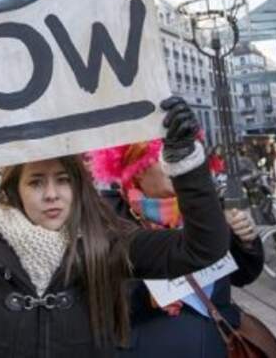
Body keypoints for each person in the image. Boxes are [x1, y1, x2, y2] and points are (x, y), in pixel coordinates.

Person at [0, 96, 229, 357]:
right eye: (36, 182)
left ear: (78, 187)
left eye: (63, 180)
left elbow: (203, 248)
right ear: (15, 191)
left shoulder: (109, 241)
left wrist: (185, 162)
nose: (52, 194)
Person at [89, 139, 263, 357]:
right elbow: (102, 300)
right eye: (164, 159)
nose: (174, 167)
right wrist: (148, 294)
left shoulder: (204, 207)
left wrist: (245, 240)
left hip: (221, 340)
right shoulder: (109, 219)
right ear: (138, 171)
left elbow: (244, 275)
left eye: (178, 159)